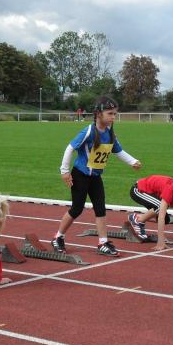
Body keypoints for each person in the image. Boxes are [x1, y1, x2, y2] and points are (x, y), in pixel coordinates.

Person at [52, 95, 141, 257]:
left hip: (95, 177)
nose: (113, 117)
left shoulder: (110, 133)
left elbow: (118, 151)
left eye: (115, 114)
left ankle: (103, 243)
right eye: (110, 114)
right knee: (76, 209)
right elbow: (70, 148)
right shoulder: (89, 131)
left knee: (100, 209)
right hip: (80, 175)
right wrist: (64, 171)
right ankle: (58, 237)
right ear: (99, 114)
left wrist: (132, 161)